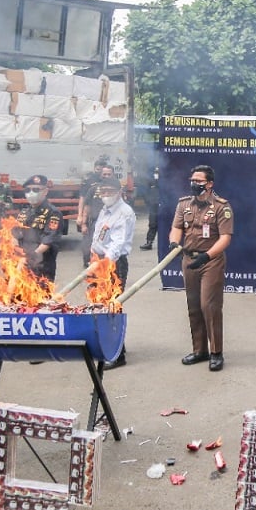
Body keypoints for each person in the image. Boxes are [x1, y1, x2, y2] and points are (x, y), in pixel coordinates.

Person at [170, 165, 233, 372]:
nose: (194, 184)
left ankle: (216, 352)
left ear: (209, 184)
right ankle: (199, 351)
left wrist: (207, 256)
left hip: (211, 261)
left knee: (209, 306)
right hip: (188, 260)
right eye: (192, 180)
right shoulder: (184, 204)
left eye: (198, 181)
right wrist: (174, 243)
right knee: (194, 306)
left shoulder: (221, 206)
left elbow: (225, 238)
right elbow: (177, 228)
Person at [91, 176, 136, 369]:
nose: (106, 195)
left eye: (109, 191)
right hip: (99, 262)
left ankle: (118, 355)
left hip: (113, 265)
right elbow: (99, 237)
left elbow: (117, 243)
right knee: (100, 306)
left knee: (112, 308)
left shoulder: (124, 212)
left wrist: (104, 264)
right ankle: (108, 346)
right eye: (103, 191)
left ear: (119, 192)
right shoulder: (106, 209)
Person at [13, 174, 63, 282]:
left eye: (36, 189)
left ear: (45, 191)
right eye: (28, 190)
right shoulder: (24, 212)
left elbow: (49, 239)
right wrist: (17, 250)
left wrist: (33, 255)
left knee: (41, 296)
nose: (31, 193)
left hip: (42, 265)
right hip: (21, 262)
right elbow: (15, 233)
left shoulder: (53, 213)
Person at [77, 158, 108, 266]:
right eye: (97, 169)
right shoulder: (89, 182)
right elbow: (83, 200)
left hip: (106, 221)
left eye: (101, 171)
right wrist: (80, 216)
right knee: (87, 242)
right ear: (95, 168)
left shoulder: (111, 183)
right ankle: (87, 262)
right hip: (92, 219)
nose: (99, 172)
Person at [140, 167, 160, 251]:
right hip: (153, 204)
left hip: (164, 203)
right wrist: (148, 202)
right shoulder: (149, 178)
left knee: (167, 224)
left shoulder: (166, 177)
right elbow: (145, 191)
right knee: (152, 223)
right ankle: (149, 242)